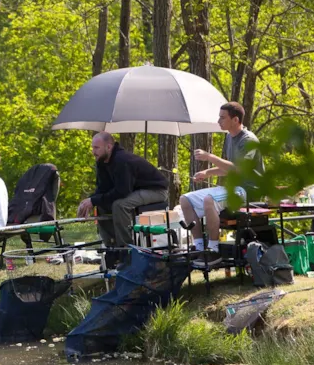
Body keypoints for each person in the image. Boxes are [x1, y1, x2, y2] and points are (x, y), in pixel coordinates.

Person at [179, 101, 265, 264]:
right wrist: (207, 173)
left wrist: (210, 157)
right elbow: (228, 167)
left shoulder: (249, 140)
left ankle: (213, 250)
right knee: (185, 200)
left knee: (209, 199)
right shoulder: (229, 137)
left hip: (249, 191)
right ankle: (199, 248)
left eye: (222, 117)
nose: (219, 121)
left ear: (236, 120)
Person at [76, 132, 169, 249]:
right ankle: (111, 246)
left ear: (109, 147)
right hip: (134, 190)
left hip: (156, 190)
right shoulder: (102, 161)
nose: (93, 152)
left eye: (96, 148)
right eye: (92, 148)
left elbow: (122, 191)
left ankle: (126, 249)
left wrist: (94, 200)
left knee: (120, 205)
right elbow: (102, 188)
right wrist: (89, 201)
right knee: (101, 205)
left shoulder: (122, 160)